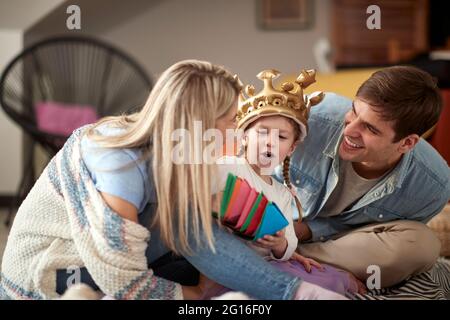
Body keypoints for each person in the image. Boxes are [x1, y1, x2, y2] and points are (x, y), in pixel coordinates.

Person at [0, 59, 342, 300]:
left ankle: (294, 294)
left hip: (119, 262)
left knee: (197, 222)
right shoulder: (118, 163)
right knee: (190, 238)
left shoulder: (179, 153)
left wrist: (284, 255)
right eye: (227, 118)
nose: (231, 128)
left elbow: (212, 221)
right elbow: (119, 272)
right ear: (199, 119)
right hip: (43, 279)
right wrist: (189, 295)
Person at [275, 66, 450, 288]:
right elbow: (246, 171)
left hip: (340, 244)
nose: (349, 131)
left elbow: (377, 237)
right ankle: (299, 261)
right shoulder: (306, 119)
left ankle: (290, 257)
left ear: (407, 143)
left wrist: (309, 231)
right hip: (275, 223)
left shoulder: (433, 187)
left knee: (424, 245)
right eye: (354, 112)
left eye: (370, 129)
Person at [200, 69, 362, 298]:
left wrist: (280, 244)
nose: (270, 143)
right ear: (244, 135)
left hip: (268, 265)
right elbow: (197, 201)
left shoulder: (283, 194)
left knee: (327, 280)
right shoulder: (226, 167)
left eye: (281, 137)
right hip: (230, 264)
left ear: (292, 148)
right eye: (262, 132)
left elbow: (289, 245)